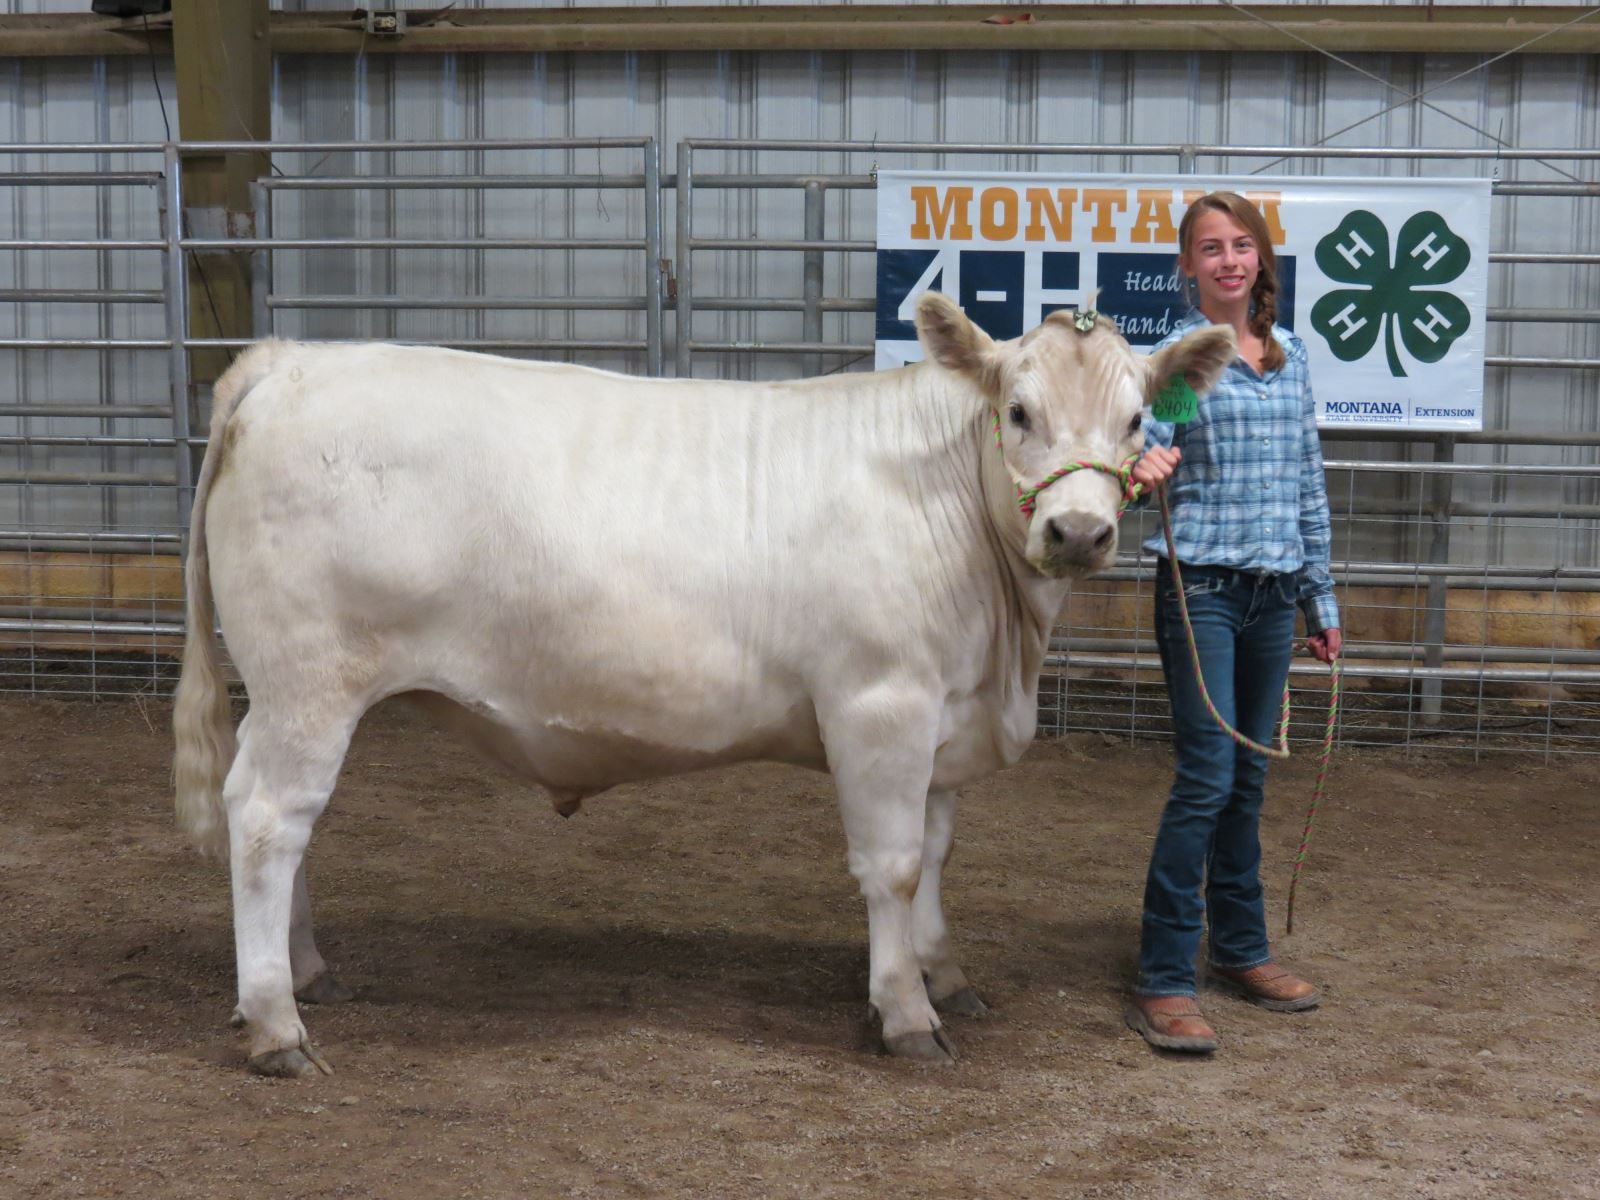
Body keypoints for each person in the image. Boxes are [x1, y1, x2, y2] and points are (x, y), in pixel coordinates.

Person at [1123, 191, 1342, 1054]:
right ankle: (1165, 977)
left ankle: (1241, 952)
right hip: (1201, 587)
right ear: (1187, 268)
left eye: (1240, 245)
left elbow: (1307, 480)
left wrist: (1319, 598)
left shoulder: (1294, 358)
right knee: (1209, 776)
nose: (1227, 260)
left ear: (1260, 261)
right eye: (1209, 248)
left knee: (1247, 782)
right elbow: (1146, 451)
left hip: (1273, 593)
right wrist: (1143, 466)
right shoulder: (1180, 367)